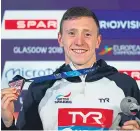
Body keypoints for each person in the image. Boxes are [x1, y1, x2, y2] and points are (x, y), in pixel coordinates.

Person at [1, 7, 140, 130]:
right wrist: (7, 123)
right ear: (60, 39)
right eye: (72, 33)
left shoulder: (125, 85)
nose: (79, 42)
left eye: (87, 34)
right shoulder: (40, 89)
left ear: (98, 41)